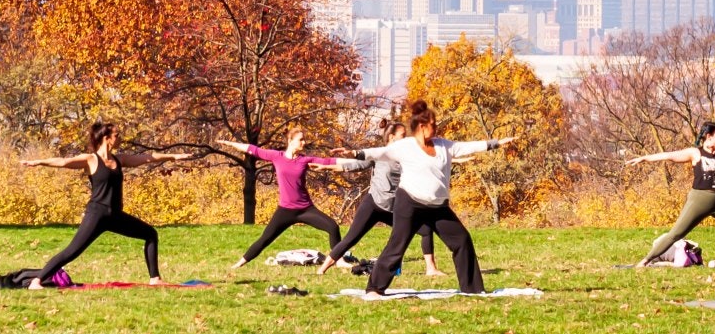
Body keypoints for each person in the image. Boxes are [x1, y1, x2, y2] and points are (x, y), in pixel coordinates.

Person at [318, 101, 513, 296]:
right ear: (422, 126)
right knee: (397, 246)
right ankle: (374, 288)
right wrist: (354, 153)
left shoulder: (444, 145)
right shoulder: (406, 146)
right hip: (410, 204)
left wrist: (495, 143)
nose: (436, 128)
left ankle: (473, 289)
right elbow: (380, 153)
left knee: (461, 240)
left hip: (438, 208)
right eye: (433, 124)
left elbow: (468, 147)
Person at [22, 122, 195, 288]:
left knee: (150, 234)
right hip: (96, 215)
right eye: (117, 135)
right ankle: (37, 281)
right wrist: (38, 162)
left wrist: (173, 156)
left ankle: (155, 278)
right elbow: (62, 162)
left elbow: (148, 158)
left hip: (115, 216)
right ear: (106, 138)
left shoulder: (120, 159)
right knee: (72, 251)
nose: (120, 138)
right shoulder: (91, 159)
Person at [317, 122, 442, 277]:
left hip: (394, 208)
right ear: (391, 137)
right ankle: (322, 269)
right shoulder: (380, 154)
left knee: (425, 229)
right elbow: (354, 165)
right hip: (374, 204)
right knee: (351, 238)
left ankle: (431, 269)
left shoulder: (407, 156)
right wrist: (326, 167)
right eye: (402, 135)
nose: (406, 138)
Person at [625, 121, 715, 266]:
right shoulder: (696, 153)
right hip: (699, 201)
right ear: (708, 136)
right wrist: (644, 158)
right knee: (676, 234)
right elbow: (669, 155)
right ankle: (644, 262)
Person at [215, 129, 340, 269]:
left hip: (305, 209)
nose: (304, 143)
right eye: (301, 139)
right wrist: (228, 143)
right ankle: (239, 264)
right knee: (265, 239)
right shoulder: (276, 156)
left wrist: (356, 158)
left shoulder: (305, 160)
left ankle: (339, 261)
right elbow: (252, 150)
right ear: (290, 141)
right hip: (285, 210)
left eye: (304, 139)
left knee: (332, 227)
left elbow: (329, 161)